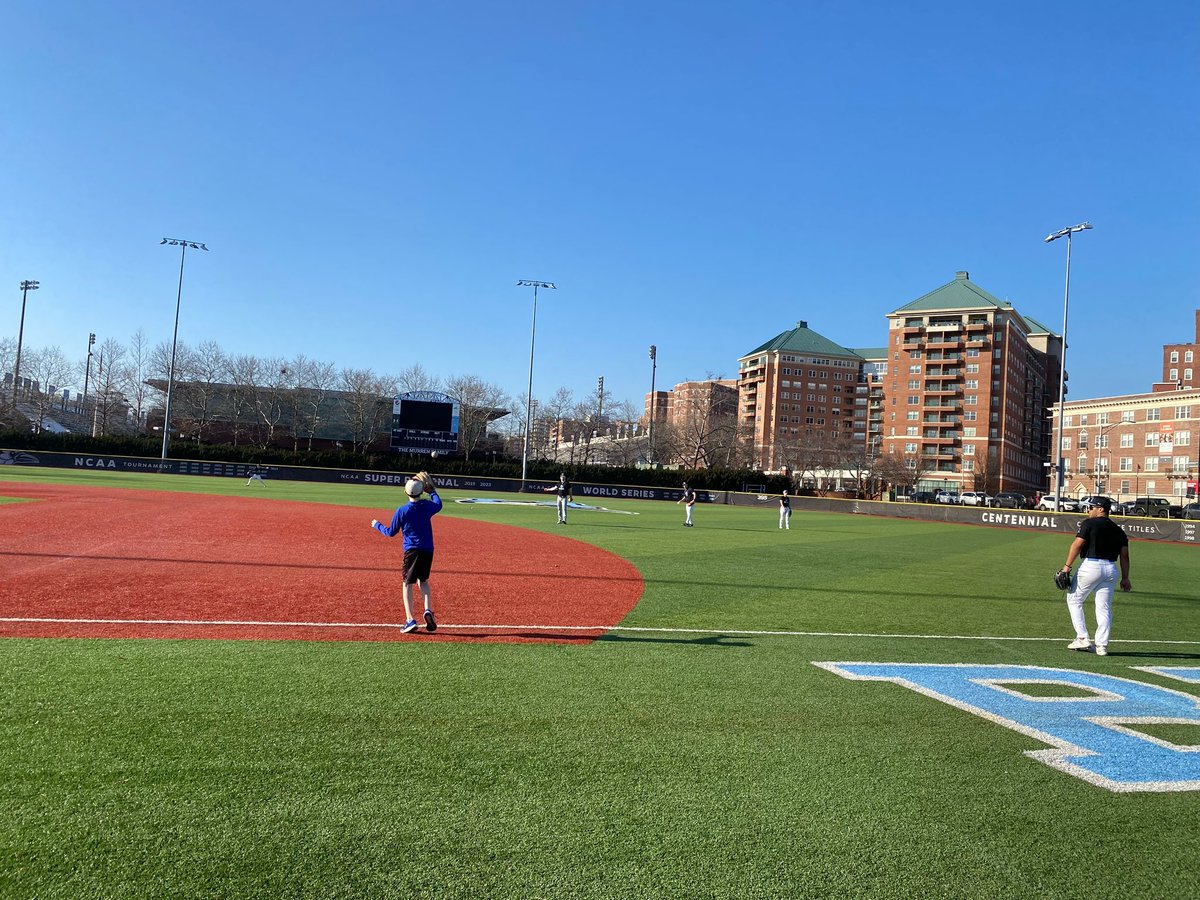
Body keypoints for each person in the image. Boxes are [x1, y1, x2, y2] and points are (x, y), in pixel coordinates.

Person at [371, 470, 442, 634]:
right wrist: (432, 491)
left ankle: (410, 619)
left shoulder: (402, 510)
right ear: (421, 491)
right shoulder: (426, 506)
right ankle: (427, 610)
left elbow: (390, 532)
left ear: (406, 492)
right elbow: (438, 504)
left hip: (412, 551)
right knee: (423, 581)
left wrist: (377, 525)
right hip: (428, 550)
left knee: (407, 584)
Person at [1059, 496, 1131, 657]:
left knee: (1074, 600)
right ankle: (1102, 646)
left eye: (1092, 507)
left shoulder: (1089, 524)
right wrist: (1125, 578)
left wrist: (1066, 567)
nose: (1089, 510)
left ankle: (1083, 637)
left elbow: (1077, 544)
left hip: (1091, 566)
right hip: (1111, 569)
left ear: (1101, 509)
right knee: (1103, 607)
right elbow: (1124, 555)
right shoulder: (1118, 530)